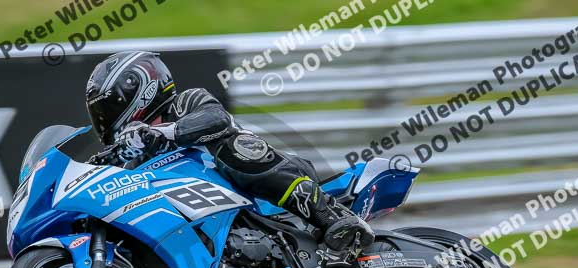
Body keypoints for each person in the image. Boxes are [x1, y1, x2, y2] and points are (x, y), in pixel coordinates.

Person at [85, 51, 375, 256]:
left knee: (235, 147)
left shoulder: (185, 102)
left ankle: (332, 216)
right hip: (208, 225)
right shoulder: (134, 158)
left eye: (107, 108)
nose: (104, 119)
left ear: (141, 90)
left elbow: (216, 120)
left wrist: (164, 132)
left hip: (261, 190)